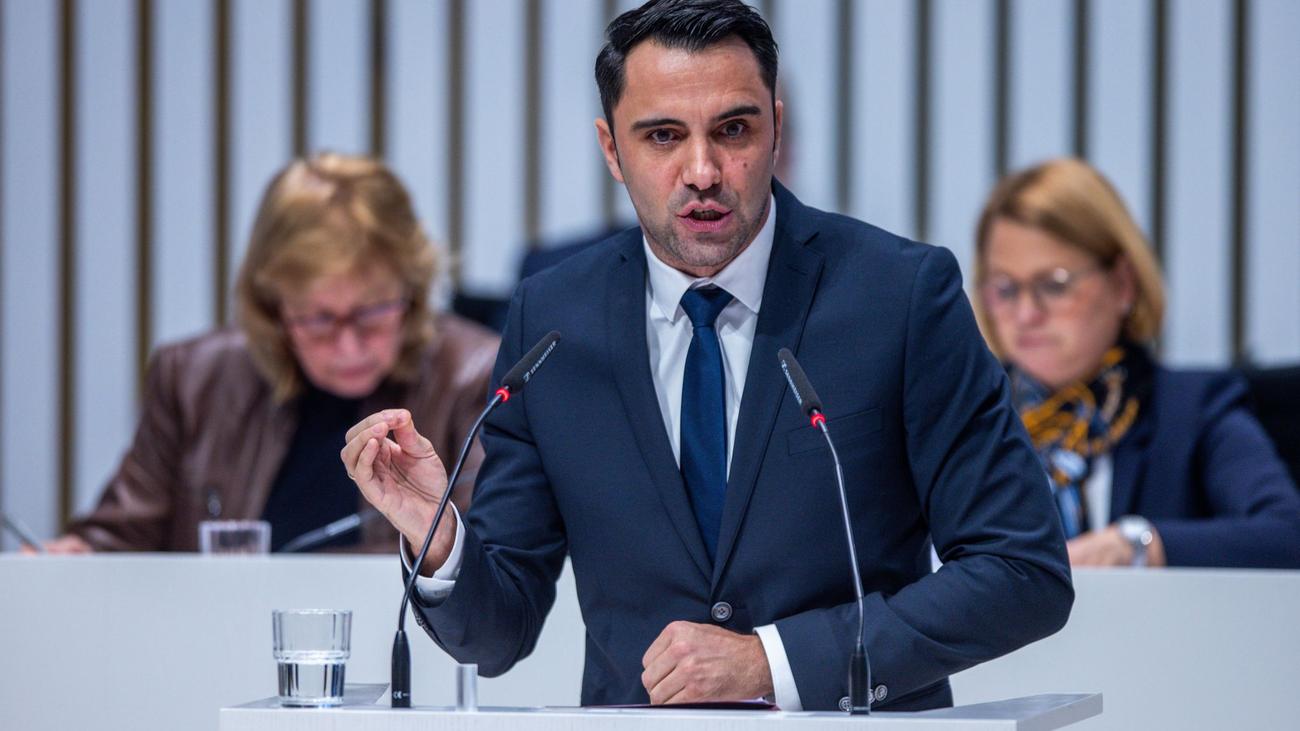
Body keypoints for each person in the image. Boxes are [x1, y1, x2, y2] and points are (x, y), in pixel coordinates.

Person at [342, 0, 1072, 712]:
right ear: (611, 149)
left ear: (776, 128)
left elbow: (1021, 570)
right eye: (663, 136)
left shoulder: (901, 297)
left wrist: (774, 662)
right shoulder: (553, 320)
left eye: (733, 129)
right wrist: (439, 540)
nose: (702, 170)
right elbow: (498, 633)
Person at [40, 153, 499, 554]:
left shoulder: (477, 376)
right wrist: (75, 559)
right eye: (319, 319)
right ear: (273, 308)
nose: (348, 346)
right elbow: (120, 537)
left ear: (412, 293)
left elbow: (484, 560)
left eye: (372, 312)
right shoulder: (194, 379)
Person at [974, 157, 1300, 569]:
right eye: (1005, 289)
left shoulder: (1192, 410)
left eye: (1053, 285)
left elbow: (1288, 534)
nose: (1026, 314)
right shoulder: (969, 421)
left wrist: (1139, 546)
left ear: (1123, 283)